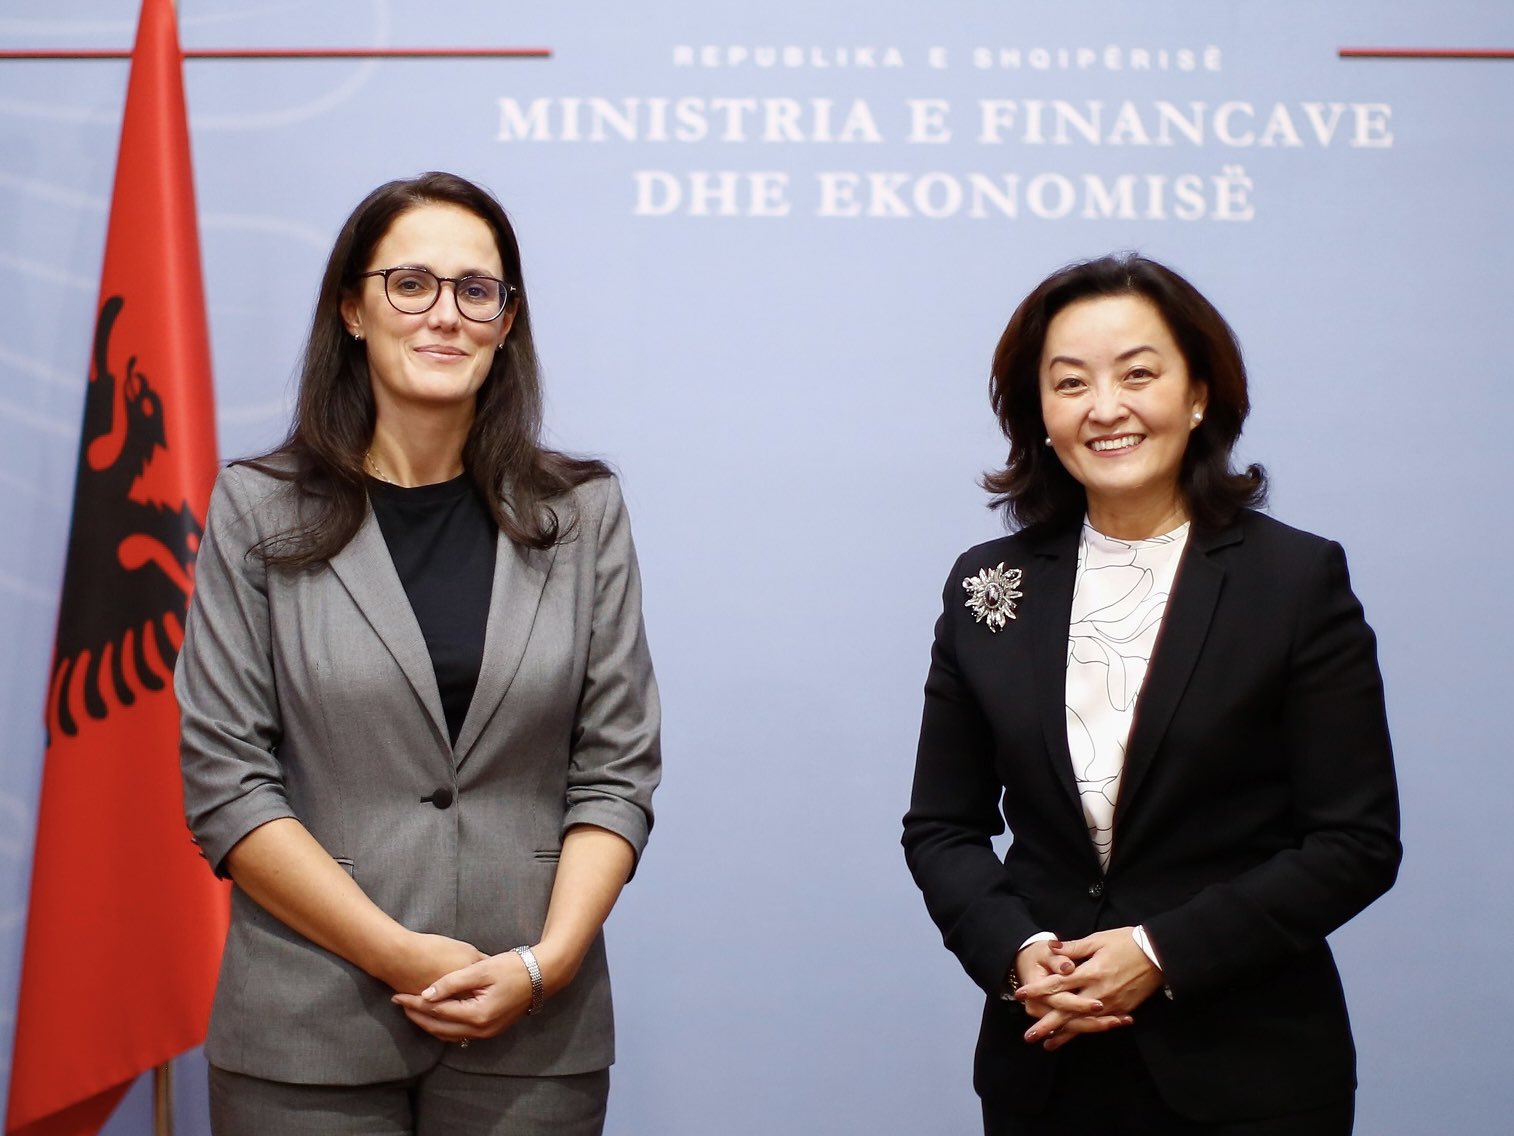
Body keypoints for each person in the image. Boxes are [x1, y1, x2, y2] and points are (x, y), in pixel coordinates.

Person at [176, 171, 660, 1136]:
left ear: (506, 322)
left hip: (533, 1032)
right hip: (307, 1031)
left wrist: (546, 964)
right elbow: (227, 781)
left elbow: (616, 772)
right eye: (411, 284)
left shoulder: (582, 513)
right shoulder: (257, 510)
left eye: (476, 290)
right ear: (353, 310)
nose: (445, 314)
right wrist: (400, 955)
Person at [902, 254, 1399, 1135]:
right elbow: (943, 827)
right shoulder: (987, 584)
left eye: (1138, 374)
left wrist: (1160, 951)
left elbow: (1354, 842)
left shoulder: (1293, 580)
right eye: (1071, 383)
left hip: (1249, 1072)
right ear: (1039, 413)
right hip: (1047, 1061)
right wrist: (1018, 954)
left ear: (1199, 394)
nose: (1105, 408)